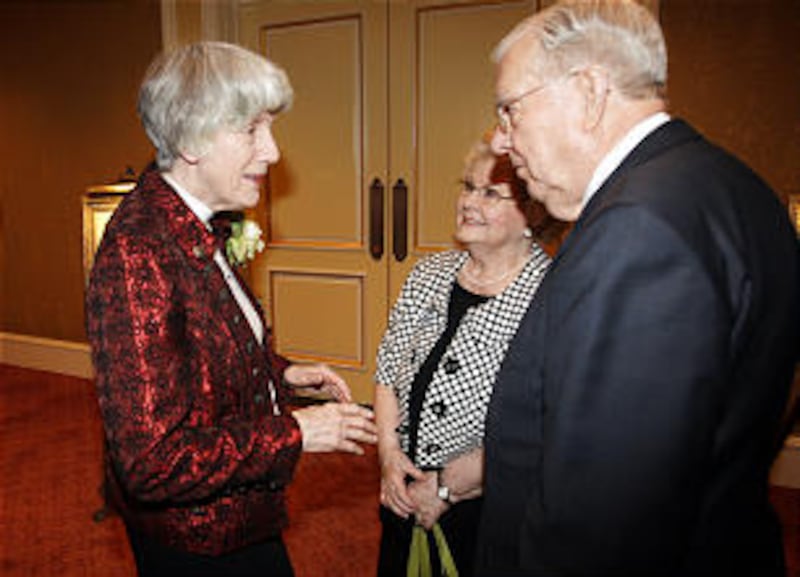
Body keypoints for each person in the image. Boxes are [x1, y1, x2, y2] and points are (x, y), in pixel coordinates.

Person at [476, 1, 800, 576]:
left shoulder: (638, 229)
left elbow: (600, 523)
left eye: (510, 110)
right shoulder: (736, 187)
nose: (501, 142)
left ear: (590, 92)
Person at [85, 41, 377, 577]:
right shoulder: (139, 252)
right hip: (199, 542)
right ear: (192, 139)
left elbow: (204, 358)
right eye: (252, 130)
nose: (273, 152)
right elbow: (152, 463)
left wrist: (282, 374)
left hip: (240, 517)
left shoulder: (201, 224)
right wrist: (297, 433)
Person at [374, 140, 554, 577]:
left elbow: (544, 428)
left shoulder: (552, 298)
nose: (469, 202)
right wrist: (388, 454)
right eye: (468, 187)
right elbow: (386, 370)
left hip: (488, 506)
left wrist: (446, 488)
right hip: (402, 486)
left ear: (531, 214)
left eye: (490, 193)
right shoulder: (428, 273)